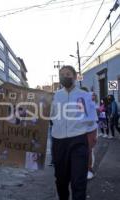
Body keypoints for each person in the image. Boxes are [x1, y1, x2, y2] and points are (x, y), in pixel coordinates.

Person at [50, 65, 98, 200]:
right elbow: (46, 116)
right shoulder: (54, 97)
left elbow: (91, 121)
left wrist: (92, 140)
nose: (65, 77)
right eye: (62, 74)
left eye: (68, 74)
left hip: (78, 142)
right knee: (61, 180)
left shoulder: (84, 96)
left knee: (79, 181)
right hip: (58, 142)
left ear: (75, 77)